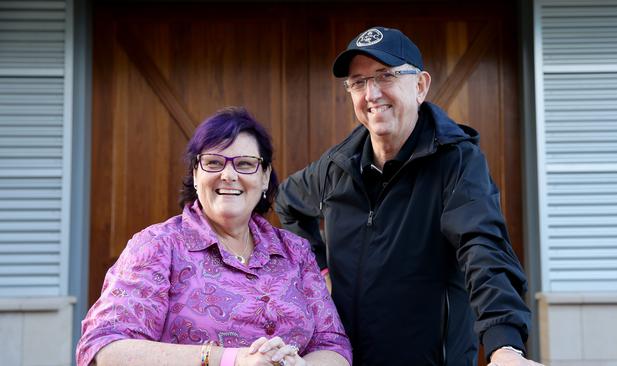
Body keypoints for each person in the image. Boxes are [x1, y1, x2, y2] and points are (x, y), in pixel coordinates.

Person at [275, 27, 544, 366]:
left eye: (385, 76)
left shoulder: (456, 162)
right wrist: (320, 272)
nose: (371, 93)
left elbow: (485, 249)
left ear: (419, 86)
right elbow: (287, 202)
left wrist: (505, 345)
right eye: (358, 82)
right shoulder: (337, 166)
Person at [77, 107, 352, 366]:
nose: (228, 175)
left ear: (265, 176)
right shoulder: (158, 247)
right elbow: (105, 347)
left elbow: (334, 346)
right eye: (213, 162)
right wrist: (230, 360)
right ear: (196, 174)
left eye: (245, 164)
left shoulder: (295, 251)